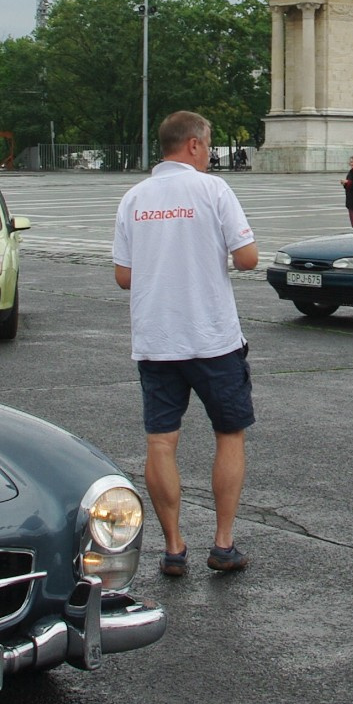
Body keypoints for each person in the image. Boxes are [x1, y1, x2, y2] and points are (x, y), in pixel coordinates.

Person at [112, 110, 260, 576]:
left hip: (157, 339)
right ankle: (223, 542)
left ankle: (174, 546)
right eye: (210, 143)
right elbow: (248, 258)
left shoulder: (134, 198)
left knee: (161, 441)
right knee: (228, 435)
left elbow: (123, 276)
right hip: (212, 337)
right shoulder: (213, 190)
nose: (211, 152)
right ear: (193, 145)